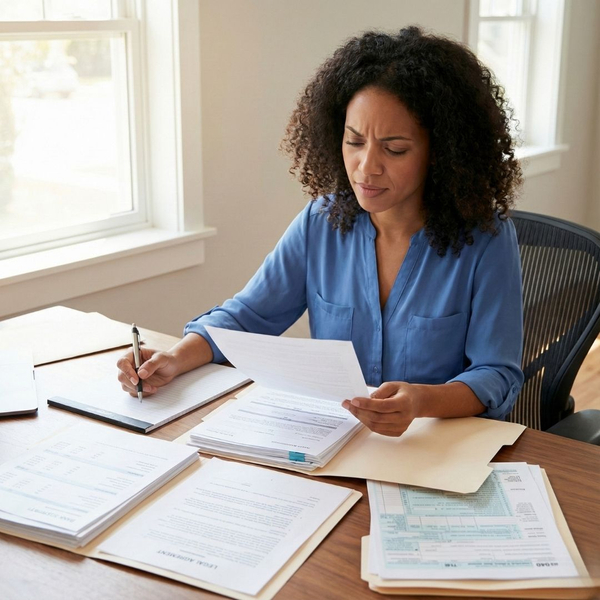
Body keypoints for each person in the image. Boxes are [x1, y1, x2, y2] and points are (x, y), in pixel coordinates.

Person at [118, 26, 524, 437]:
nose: (367, 167)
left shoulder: (486, 239)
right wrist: (173, 358)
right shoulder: (322, 222)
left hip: (438, 446)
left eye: (395, 148)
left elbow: (496, 374)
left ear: (441, 153)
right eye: (354, 141)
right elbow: (248, 316)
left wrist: (421, 401)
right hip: (335, 444)